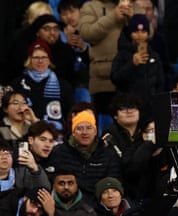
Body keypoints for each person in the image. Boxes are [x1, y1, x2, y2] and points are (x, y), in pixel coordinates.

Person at [78, 0, 134, 129]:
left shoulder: (133, 5)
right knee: (106, 129)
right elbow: (87, 33)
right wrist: (113, 17)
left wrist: (134, 19)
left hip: (132, 76)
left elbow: (150, 33)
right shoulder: (90, 6)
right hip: (103, 78)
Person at [46, 109, 122, 205]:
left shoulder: (108, 154)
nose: (84, 132)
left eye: (89, 128)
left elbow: (114, 183)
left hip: (99, 208)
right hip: (66, 206)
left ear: (95, 131)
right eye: (79, 128)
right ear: (73, 132)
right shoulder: (59, 152)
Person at [9, 39, 74, 132]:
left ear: (49, 60)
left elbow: (70, 113)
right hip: (23, 131)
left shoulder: (63, 85)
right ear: (30, 60)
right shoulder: (17, 83)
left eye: (44, 57)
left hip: (55, 133)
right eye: (36, 57)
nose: (40, 61)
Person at [111, 14, 165, 119]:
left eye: (143, 32)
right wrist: (132, 64)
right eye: (136, 32)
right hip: (129, 107)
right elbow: (115, 78)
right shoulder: (123, 54)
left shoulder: (154, 55)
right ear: (130, 33)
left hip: (150, 107)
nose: (140, 35)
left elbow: (160, 82)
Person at [58, 0, 91, 103]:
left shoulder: (90, 31)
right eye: (64, 14)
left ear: (80, 11)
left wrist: (83, 47)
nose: (69, 16)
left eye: (72, 12)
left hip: (88, 80)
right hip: (66, 81)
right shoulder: (58, 35)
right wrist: (67, 45)